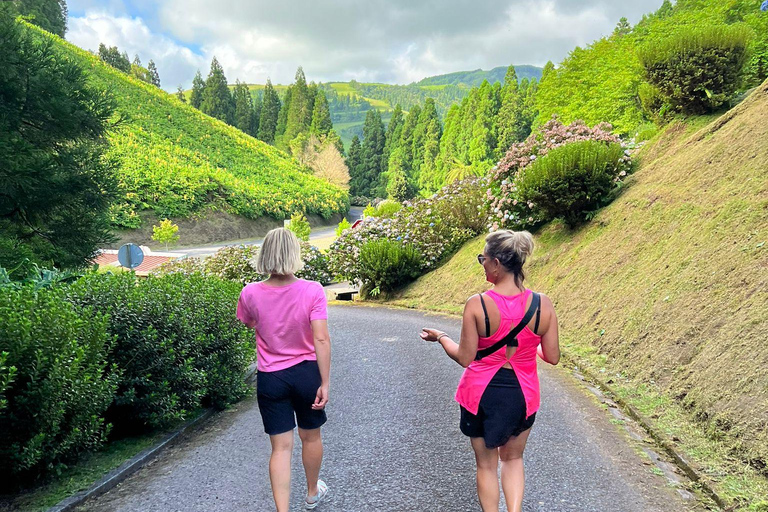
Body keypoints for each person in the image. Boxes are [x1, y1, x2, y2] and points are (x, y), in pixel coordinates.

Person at [420, 230, 560, 512]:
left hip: (480, 394)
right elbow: (553, 356)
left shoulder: (478, 304)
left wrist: (442, 338)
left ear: (496, 263)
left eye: (482, 258)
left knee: (486, 465)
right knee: (513, 459)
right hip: (523, 394)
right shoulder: (543, 304)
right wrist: (527, 347)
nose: (482, 263)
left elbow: (464, 357)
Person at [236, 228, 331, 511]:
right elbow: (321, 338)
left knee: (280, 448)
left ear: (265, 253)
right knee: (311, 435)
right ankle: (312, 493)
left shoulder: (250, 292)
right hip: (305, 374)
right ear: (294, 253)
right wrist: (324, 382)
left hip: (271, 377)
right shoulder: (312, 290)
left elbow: (248, 321)